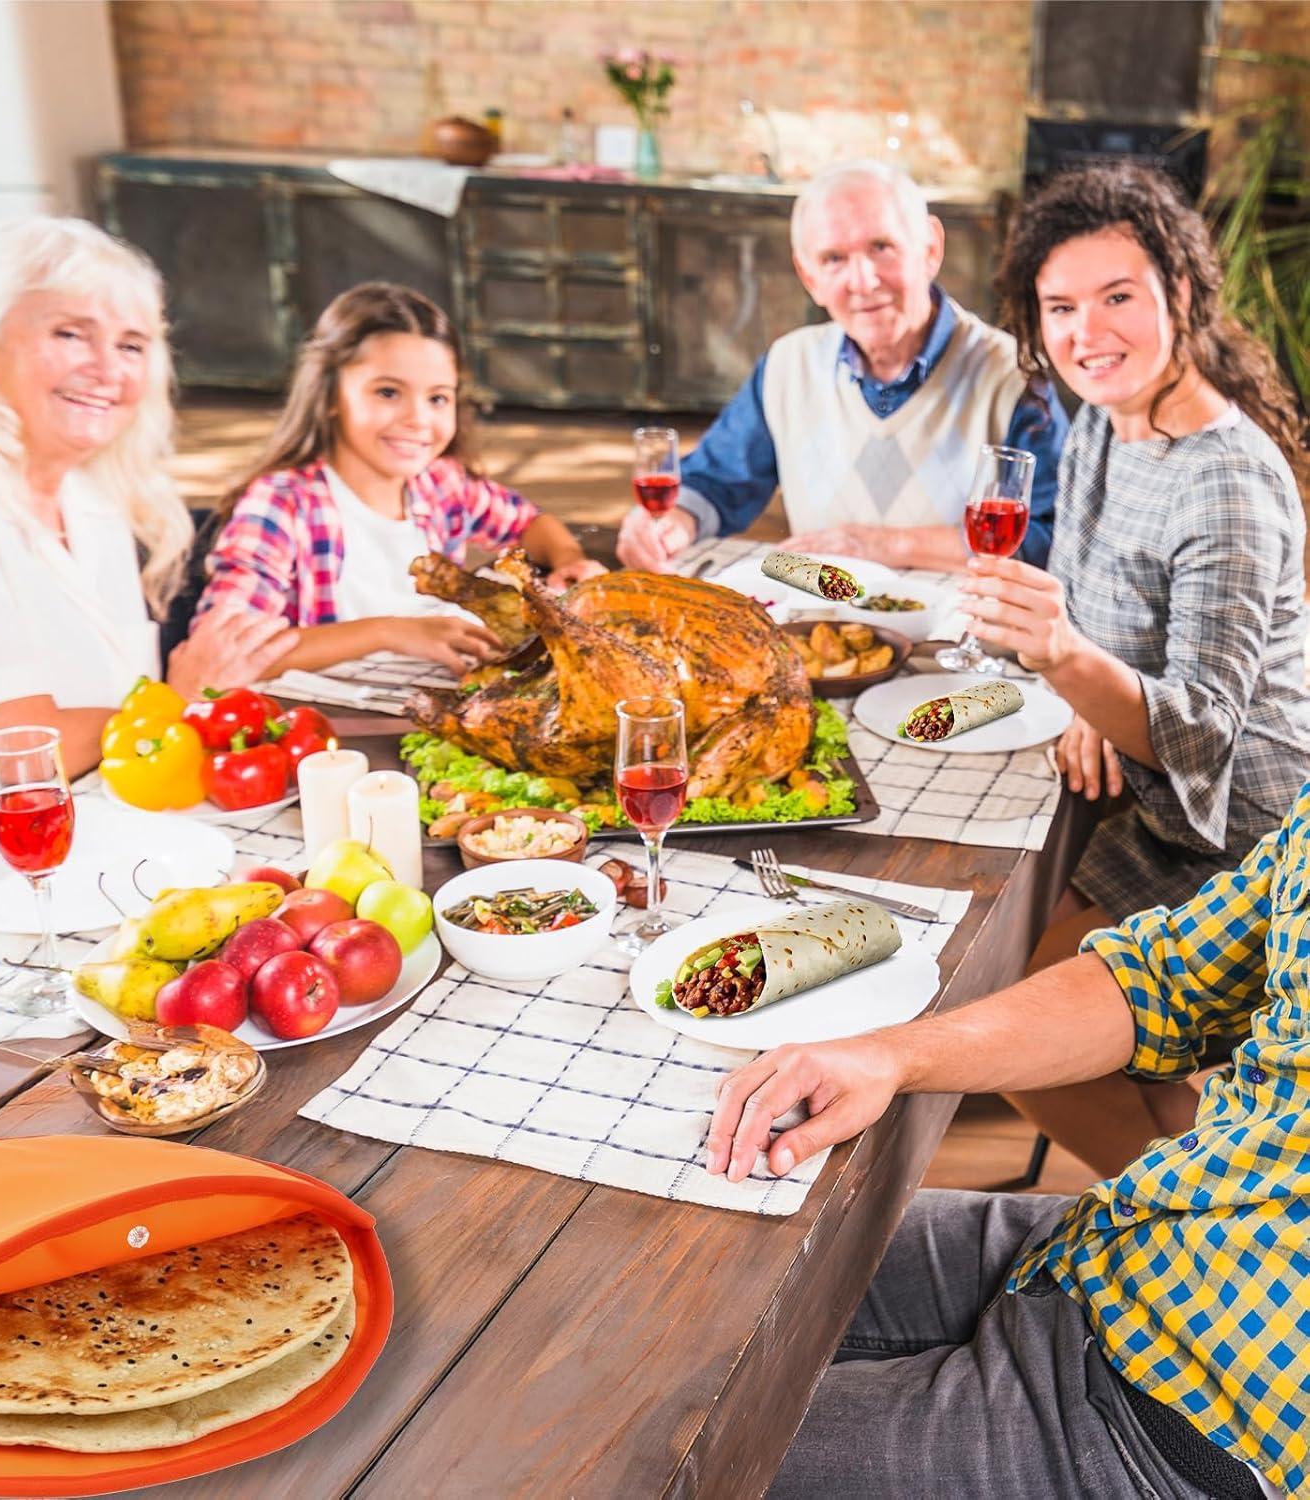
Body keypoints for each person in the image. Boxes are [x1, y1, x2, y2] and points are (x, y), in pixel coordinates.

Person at [706, 779, 1310, 1498]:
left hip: (1191, 1426)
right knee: (717, 1268)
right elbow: (1163, 978)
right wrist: (889, 1054)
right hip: (1114, 1244)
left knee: (671, 1465)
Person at [956, 164, 1310, 1177]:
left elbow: (1199, 729)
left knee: (1014, 1024)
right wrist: (1083, 691)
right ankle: (1195, 1189)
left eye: (1119, 298)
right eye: (1060, 308)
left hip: (1246, 833)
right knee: (1085, 1030)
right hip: (1152, 802)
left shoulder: (1228, 479)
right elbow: (1092, 601)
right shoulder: (1100, 423)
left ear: (1182, 298)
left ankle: (1184, 1218)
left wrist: (1069, 660)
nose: (1086, 332)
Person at [0, 217, 294, 904]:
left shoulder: (88, 495)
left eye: (132, 345)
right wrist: (178, 695)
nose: (108, 369)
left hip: (40, 877)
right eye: (71, 333)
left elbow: (121, 734)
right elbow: (17, 756)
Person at [615, 160, 1069, 574]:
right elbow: (716, 482)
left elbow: (1055, 541)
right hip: (820, 620)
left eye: (882, 247)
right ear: (809, 277)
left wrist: (881, 545)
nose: (863, 281)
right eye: (834, 259)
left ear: (931, 248)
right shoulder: (787, 365)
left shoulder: (1012, 377)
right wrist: (672, 522)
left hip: (953, 634)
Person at [196, 282, 605, 674]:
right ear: (329, 395)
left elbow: (528, 523)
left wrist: (569, 558)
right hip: (326, 732)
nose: (418, 420)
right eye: (388, 393)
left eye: (437, 398)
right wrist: (389, 633)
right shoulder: (280, 504)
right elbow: (222, 653)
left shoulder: (441, 484)